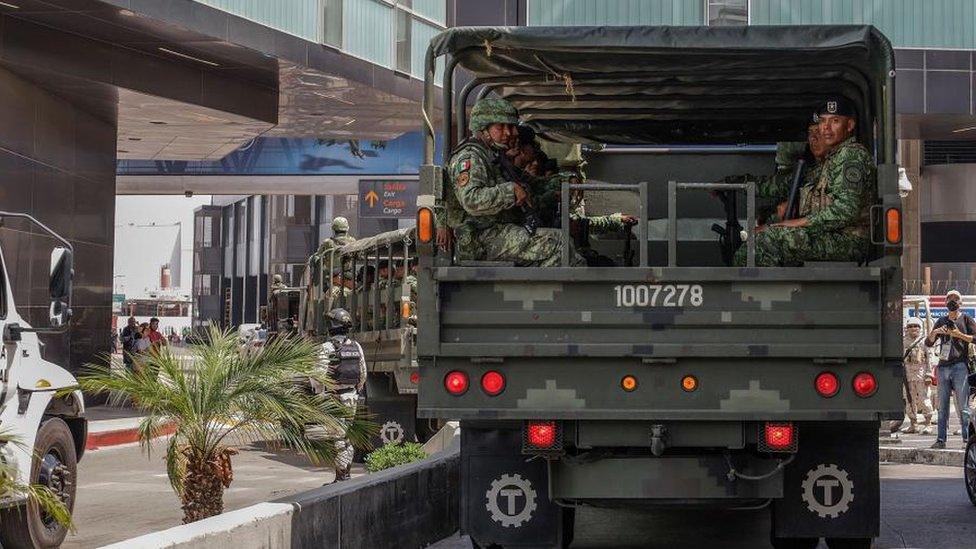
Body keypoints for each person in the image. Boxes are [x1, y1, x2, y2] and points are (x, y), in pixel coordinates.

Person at [733, 97, 875, 267]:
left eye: (835, 121)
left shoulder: (851, 155)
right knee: (757, 240)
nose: (826, 128)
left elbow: (845, 211)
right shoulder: (828, 162)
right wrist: (733, 182)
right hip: (830, 235)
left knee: (767, 241)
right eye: (823, 121)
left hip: (847, 241)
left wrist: (791, 224)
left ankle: (760, 292)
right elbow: (778, 185)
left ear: (850, 126)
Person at [445, 97, 584, 267]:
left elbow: (529, 183)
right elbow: (471, 200)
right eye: (501, 127)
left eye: (511, 127)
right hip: (479, 238)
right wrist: (510, 191)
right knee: (558, 244)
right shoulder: (471, 157)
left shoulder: (493, 157)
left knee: (562, 244)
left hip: (494, 232)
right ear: (483, 128)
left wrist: (564, 181)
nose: (510, 133)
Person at [317, 308, 367, 481]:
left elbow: (318, 376)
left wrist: (320, 395)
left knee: (337, 438)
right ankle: (346, 473)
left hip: (334, 397)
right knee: (346, 437)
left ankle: (342, 477)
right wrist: (355, 390)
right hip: (351, 397)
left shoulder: (327, 347)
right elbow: (363, 373)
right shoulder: (356, 346)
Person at [924, 290, 974, 448]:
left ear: (961, 303)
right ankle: (941, 440)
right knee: (942, 406)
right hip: (943, 366)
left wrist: (959, 335)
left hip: (960, 366)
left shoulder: (966, 319)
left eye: (956, 299)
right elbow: (928, 342)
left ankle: (967, 440)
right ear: (945, 302)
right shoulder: (941, 320)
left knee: (963, 406)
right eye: (949, 299)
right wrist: (935, 332)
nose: (952, 301)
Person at [899, 317, 933, 434]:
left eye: (916, 326)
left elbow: (929, 359)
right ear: (907, 329)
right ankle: (914, 424)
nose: (914, 328)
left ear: (920, 328)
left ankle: (928, 423)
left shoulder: (924, 342)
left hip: (921, 374)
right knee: (909, 399)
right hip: (907, 375)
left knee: (924, 399)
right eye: (911, 326)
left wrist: (929, 375)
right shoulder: (903, 342)